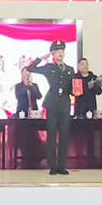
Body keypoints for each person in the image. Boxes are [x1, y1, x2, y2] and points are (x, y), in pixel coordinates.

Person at [26, 40, 75, 175]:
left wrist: (76, 91)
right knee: (52, 135)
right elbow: (31, 68)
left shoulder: (70, 69)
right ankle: (52, 165)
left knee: (64, 135)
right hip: (52, 103)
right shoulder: (49, 67)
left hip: (65, 103)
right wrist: (43, 57)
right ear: (53, 54)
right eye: (57, 51)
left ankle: (62, 166)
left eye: (62, 51)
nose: (60, 53)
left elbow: (72, 87)